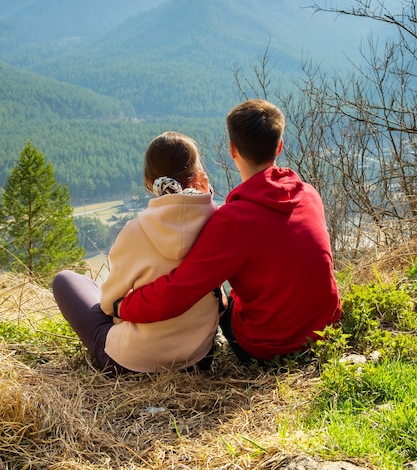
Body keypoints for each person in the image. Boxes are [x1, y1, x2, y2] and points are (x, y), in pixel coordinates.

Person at [117, 99, 341, 364]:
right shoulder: (309, 195)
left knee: (216, 290)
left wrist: (124, 307)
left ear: (232, 149)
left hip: (269, 348)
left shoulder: (234, 221)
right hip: (326, 333)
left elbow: (177, 292)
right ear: (279, 146)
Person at [53, 132, 220, 374]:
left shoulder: (135, 231)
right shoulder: (218, 224)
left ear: (149, 181)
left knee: (65, 280)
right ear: (198, 176)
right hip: (198, 358)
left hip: (132, 363)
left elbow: (109, 306)